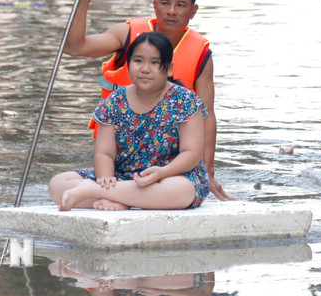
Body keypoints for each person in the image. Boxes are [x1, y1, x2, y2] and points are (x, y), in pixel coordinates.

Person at [65, 0, 231, 201]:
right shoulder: (128, 33)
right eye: (165, 3)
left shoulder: (201, 53)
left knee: (181, 189)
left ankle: (111, 196)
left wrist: (209, 172)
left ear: (193, 11)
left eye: (180, 5)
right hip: (121, 150)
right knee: (59, 184)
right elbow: (75, 47)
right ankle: (117, 193)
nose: (171, 11)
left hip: (168, 163)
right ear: (155, 6)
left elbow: (208, 115)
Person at [49, 31, 209, 211]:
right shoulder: (114, 101)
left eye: (155, 62)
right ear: (128, 64)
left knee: (181, 191)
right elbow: (105, 153)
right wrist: (106, 179)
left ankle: (101, 193)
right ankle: (122, 196)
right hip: (122, 177)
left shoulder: (185, 101)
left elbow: (191, 153)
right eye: (138, 61)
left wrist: (162, 173)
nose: (145, 69)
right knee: (57, 184)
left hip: (170, 176)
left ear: (169, 68)